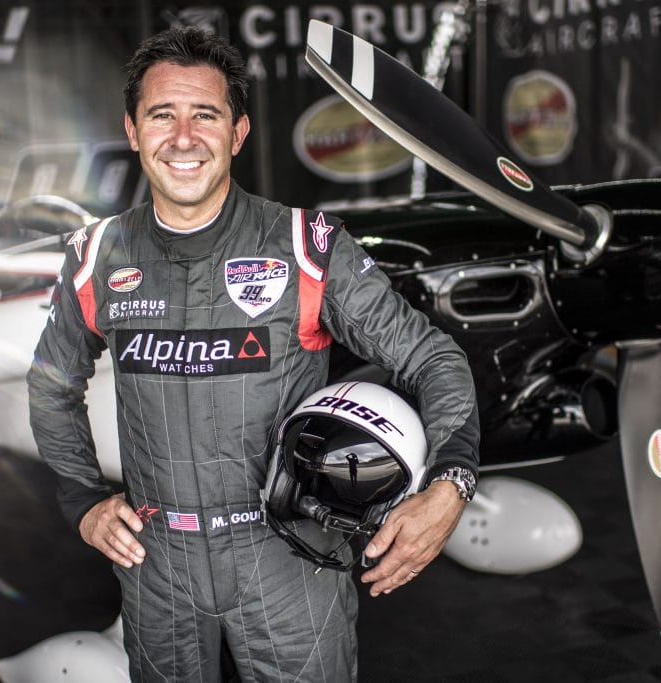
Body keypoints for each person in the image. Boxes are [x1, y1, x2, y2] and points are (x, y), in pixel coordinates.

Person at [26, 25, 479, 682]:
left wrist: (450, 485)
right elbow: (50, 384)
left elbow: (433, 358)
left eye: (205, 115)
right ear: (133, 130)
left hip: (287, 555)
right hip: (157, 562)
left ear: (238, 132)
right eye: (162, 115)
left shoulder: (307, 247)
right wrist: (82, 498)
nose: (184, 137)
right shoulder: (97, 256)